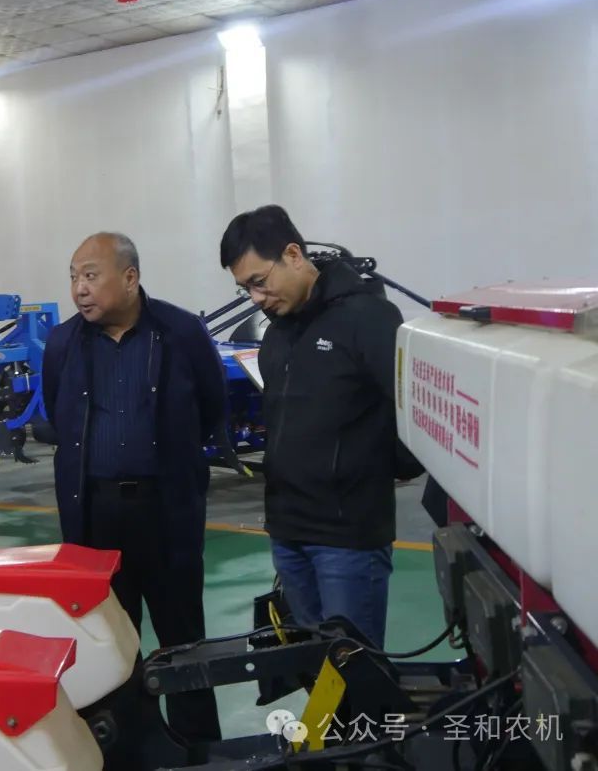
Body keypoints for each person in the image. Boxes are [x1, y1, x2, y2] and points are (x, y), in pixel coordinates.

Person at [42, 232, 226, 752]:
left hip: (166, 512)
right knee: (110, 645)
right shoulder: (63, 343)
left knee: (183, 638)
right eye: (73, 277)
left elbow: (212, 407)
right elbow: (59, 415)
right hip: (95, 516)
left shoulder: (181, 332)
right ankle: (130, 750)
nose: (79, 289)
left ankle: (196, 749)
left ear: (130, 278)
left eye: (90, 275)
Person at [219, 204, 413, 649]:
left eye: (259, 281)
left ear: (292, 254)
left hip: (347, 539)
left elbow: (409, 409)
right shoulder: (277, 335)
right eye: (245, 288)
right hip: (288, 532)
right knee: (308, 664)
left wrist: (377, 472)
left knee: (353, 670)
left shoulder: (368, 319)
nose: (255, 298)